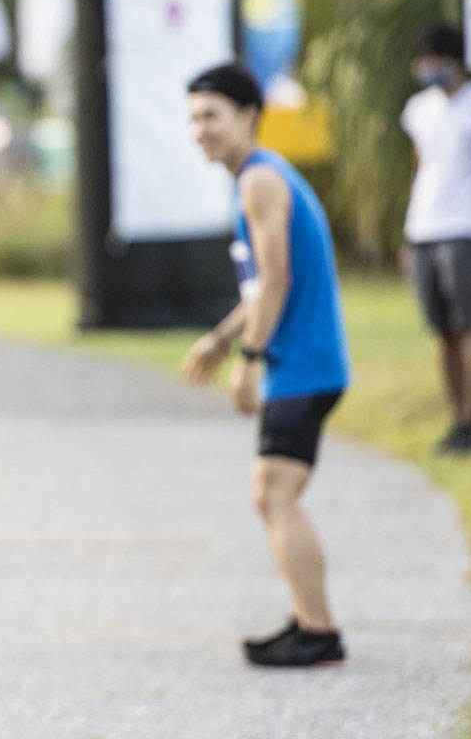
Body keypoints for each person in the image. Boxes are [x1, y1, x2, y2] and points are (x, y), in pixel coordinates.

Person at [180, 63, 350, 668]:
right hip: (302, 361)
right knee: (273, 494)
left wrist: (248, 360)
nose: (201, 130)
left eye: (212, 116)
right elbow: (260, 290)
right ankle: (310, 619)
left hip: (302, 363)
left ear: (249, 116)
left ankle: (320, 632)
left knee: (275, 494)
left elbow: (277, 278)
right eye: (195, 118)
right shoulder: (258, 178)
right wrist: (222, 339)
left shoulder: (259, 181)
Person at [400, 23, 471, 455]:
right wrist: (408, 231)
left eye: (436, 60)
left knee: (469, 327)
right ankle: (457, 419)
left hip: (464, 230)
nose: (428, 69)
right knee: (442, 331)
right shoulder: (418, 109)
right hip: (424, 229)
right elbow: (420, 168)